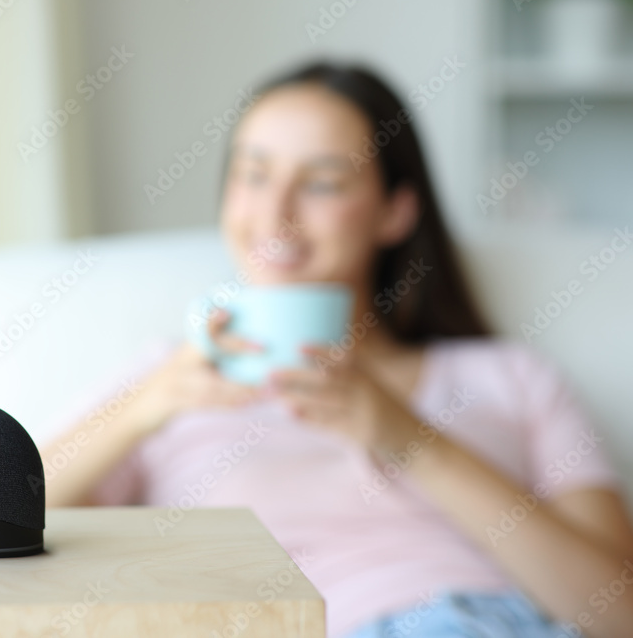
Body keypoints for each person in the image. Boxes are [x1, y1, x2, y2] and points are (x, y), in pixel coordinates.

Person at [38, 62, 633, 637]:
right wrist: (145, 407)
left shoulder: (512, 376)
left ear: (395, 212)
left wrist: (407, 439)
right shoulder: (168, 382)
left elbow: (620, 611)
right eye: (253, 174)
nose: (275, 212)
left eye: (321, 182)